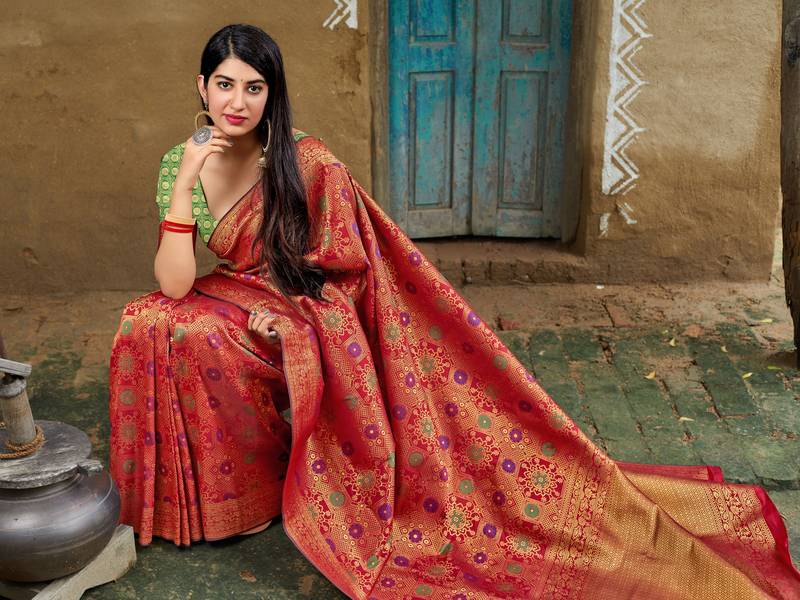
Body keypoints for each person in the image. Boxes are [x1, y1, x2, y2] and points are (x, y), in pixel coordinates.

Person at [108, 23, 800, 599]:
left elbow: (345, 274)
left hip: (303, 310)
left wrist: (288, 316)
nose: (237, 101)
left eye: (253, 88)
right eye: (223, 84)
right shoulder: (182, 162)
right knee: (152, 319)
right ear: (201, 88)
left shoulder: (306, 162)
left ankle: (259, 490)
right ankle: (218, 501)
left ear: (272, 95)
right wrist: (187, 187)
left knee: (193, 328)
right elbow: (175, 284)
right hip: (236, 296)